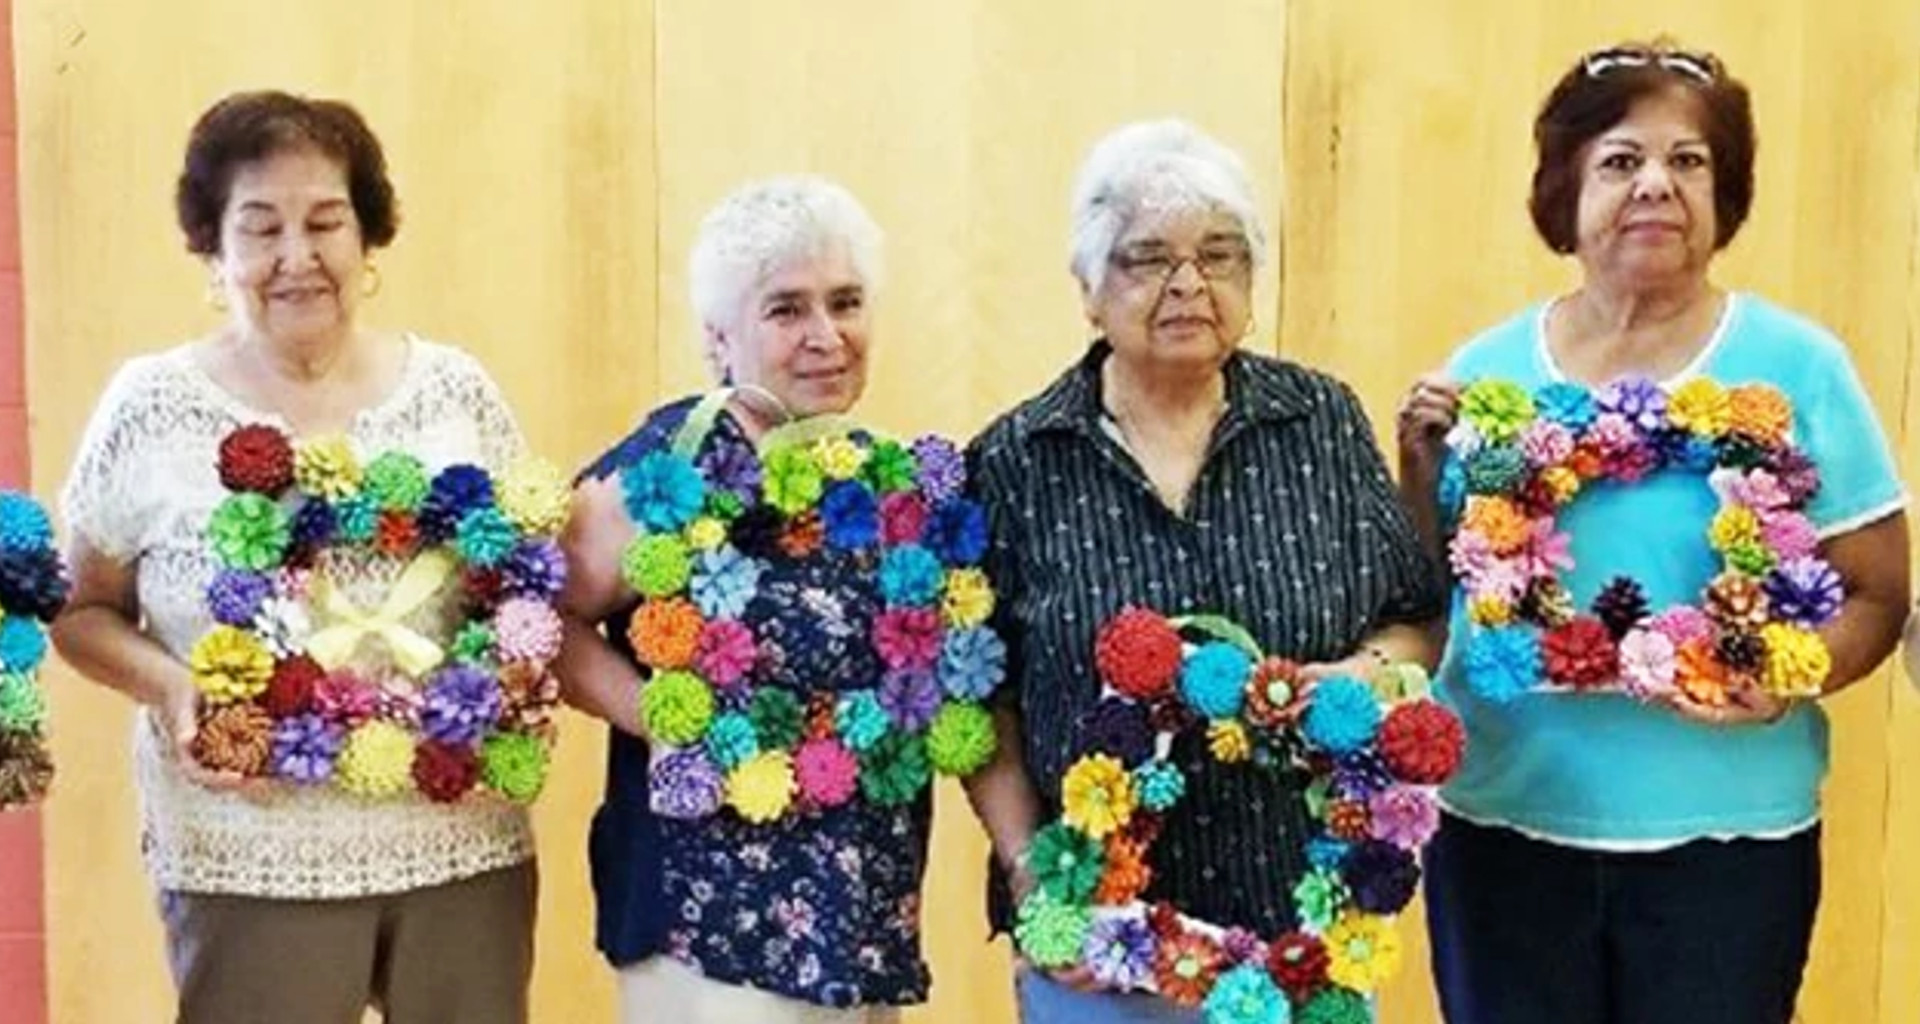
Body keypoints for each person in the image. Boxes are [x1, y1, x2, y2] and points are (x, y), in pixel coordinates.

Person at [1396, 42, 1911, 1024]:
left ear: (1727, 196)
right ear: (1566, 192)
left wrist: (1793, 672)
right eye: (1621, 160)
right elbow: (1424, 592)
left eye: (1690, 162)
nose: (1656, 187)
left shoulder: (1797, 366)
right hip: (1506, 827)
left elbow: (1879, 593)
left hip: (1730, 845)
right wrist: (1419, 469)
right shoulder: (1487, 376)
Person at [52, 91, 538, 1023]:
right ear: (213, 247)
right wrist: (174, 685)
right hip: (245, 847)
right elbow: (83, 613)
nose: (296, 257)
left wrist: (514, 680)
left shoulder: (455, 394)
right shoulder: (152, 406)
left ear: (368, 239)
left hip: (459, 838)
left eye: (326, 222)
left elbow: (522, 584)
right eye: (259, 226)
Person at [964, 119, 1444, 1022]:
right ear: (1088, 289)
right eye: (1147, 260)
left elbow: (1414, 613)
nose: (1189, 285)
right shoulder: (1015, 459)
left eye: (1221, 256)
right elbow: (980, 699)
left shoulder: (1321, 422)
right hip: (1104, 954)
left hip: (1301, 940)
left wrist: (1361, 678)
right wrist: (1033, 874)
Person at [558, 176, 934, 1023]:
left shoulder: (873, 470)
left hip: (858, 908)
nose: (826, 336)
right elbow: (538, 611)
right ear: (720, 337)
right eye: (786, 310)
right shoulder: (674, 462)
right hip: (709, 911)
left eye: (845, 303)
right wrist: (664, 714)